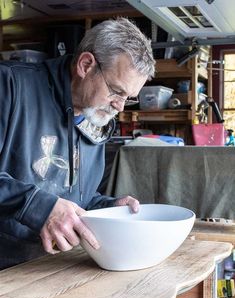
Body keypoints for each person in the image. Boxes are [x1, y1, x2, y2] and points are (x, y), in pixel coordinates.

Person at [0, 17, 155, 269]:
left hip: (48, 269)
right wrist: (39, 207)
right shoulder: (9, 85)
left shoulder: (97, 116)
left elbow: (71, 197)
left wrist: (106, 208)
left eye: (129, 98)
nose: (120, 106)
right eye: (116, 91)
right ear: (86, 65)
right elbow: (47, 202)